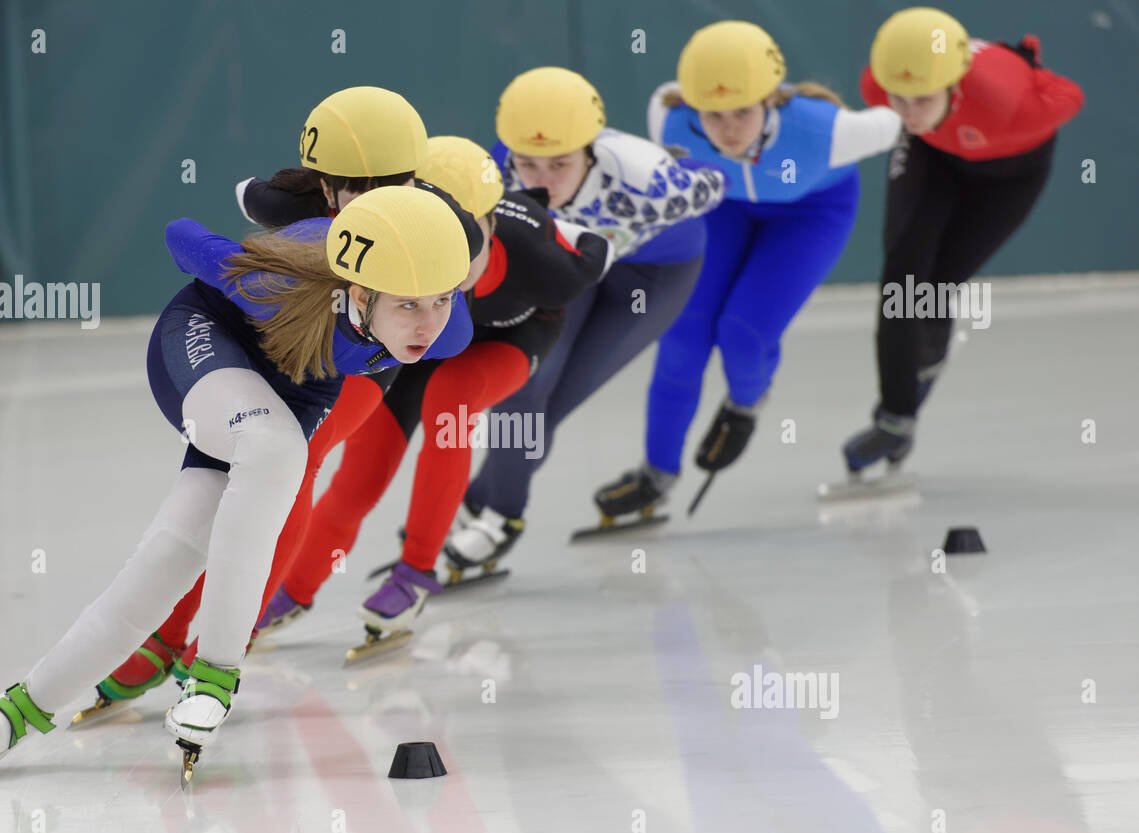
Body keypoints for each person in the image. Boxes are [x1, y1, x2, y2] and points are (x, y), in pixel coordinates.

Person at [0, 186, 471, 782]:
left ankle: (17, 709)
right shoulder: (283, 285)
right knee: (276, 451)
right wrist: (242, 258)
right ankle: (216, 672)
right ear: (358, 291)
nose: (428, 324)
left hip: (294, 388)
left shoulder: (448, 328)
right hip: (205, 337)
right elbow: (179, 233)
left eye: (442, 300)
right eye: (407, 306)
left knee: (172, 557)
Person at [75, 89, 487, 713]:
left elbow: (456, 304)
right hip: (313, 336)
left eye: (391, 187)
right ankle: (180, 633)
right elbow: (240, 212)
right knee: (250, 476)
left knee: (297, 469)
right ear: (326, 190)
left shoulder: (442, 221)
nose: (372, 208)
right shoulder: (297, 203)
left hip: (376, 350)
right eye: (355, 193)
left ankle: (205, 642)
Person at [262, 135, 612, 637]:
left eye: (463, 239)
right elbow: (265, 199)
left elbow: (599, 249)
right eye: (429, 239)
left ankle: (416, 573)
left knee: (453, 399)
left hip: (512, 336)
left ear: (491, 222)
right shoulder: (391, 250)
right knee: (357, 470)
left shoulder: (546, 262)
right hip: (417, 338)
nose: (446, 261)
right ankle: (292, 590)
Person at [592, 21, 901, 518]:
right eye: (712, 116)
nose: (728, 129)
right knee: (683, 339)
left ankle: (745, 404)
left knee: (743, 336)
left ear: (771, 99)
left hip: (811, 212)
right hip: (724, 207)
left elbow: (907, 115)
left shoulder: (833, 130)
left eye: (742, 112)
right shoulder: (668, 116)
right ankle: (656, 474)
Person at [445, 66, 727, 567]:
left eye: (559, 164)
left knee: (552, 406)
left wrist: (681, 161)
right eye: (527, 164)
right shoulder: (492, 173)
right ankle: (498, 509)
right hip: (563, 269)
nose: (541, 182)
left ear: (592, 152)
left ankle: (491, 508)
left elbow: (718, 180)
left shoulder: (648, 178)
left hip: (651, 276)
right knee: (523, 390)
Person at [841, 6, 1083, 473]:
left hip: (1009, 175)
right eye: (899, 99)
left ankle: (927, 360)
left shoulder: (1017, 104)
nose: (907, 113)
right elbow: (906, 102)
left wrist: (1026, 63)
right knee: (902, 281)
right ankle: (895, 415)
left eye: (921, 100)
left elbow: (1071, 94)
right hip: (933, 159)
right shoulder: (880, 85)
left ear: (954, 86)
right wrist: (918, 112)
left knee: (941, 281)